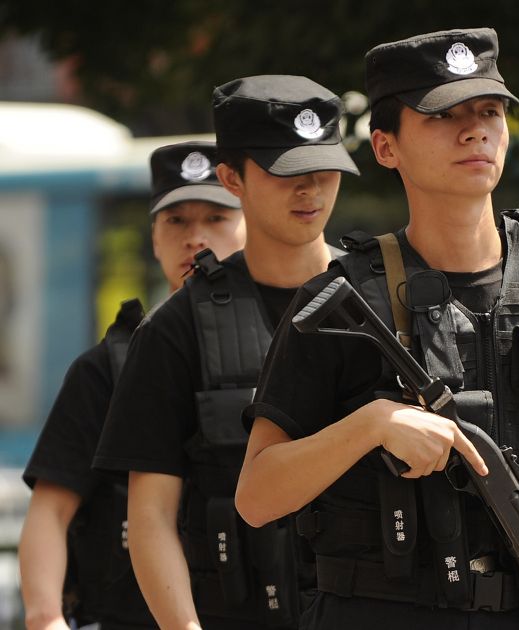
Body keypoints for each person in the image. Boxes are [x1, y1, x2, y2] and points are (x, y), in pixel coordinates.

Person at [235, 28, 519, 629]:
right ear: (386, 147)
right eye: (444, 116)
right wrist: (372, 425)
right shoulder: (344, 300)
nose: (475, 131)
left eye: (490, 111)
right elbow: (257, 497)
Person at [93, 75, 359, 630]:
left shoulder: (381, 300)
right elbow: (151, 515)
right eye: (286, 171)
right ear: (231, 178)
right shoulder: (176, 328)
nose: (310, 189)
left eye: (324, 169)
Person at [19, 141, 244, 630]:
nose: (196, 238)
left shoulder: (286, 344)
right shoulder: (108, 368)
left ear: (249, 226)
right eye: (176, 221)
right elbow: (51, 511)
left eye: (216, 218)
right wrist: (45, 617)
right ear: (155, 239)